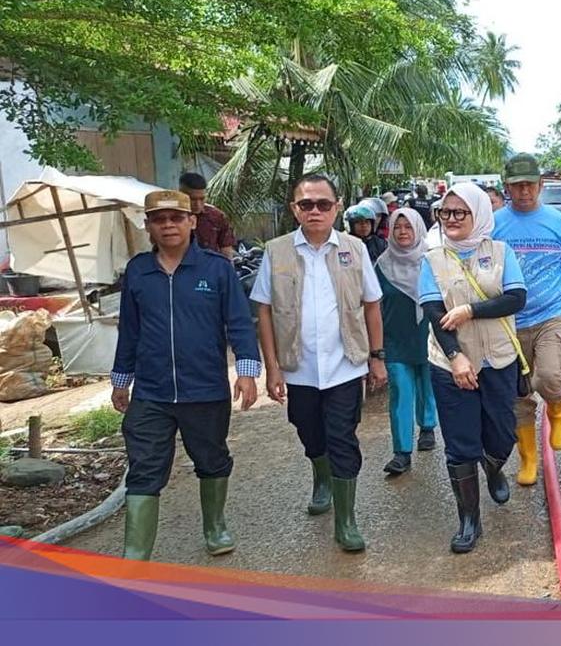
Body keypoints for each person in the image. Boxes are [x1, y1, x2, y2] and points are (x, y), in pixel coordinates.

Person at [111, 190, 260, 560]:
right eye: (159, 219)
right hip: (151, 392)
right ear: (148, 226)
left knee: (211, 459)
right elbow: (129, 329)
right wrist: (120, 380)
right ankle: (136, 553)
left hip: (205, 389)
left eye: (176, 218)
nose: (168, 225)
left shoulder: (216, 269)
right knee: (144, 467)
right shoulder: (138, 271)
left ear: (191, 221)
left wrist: (246, 371)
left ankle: (214, 526)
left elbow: (239, 323)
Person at [250, 174, 387, 553]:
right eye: (306, 204)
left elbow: (372, 304)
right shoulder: (276, 251)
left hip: (346, 363)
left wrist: (377, 357)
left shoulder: (354, 248)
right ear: (294, 208)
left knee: (342, 436)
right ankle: (321, 476)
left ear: (336, 206)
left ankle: (346, 522)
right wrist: (273, 367)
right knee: (308, 430)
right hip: (299, 367)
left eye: (322, 204)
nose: (314, 211)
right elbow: (263, 311)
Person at [419, 182, 527, 553]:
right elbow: (434, 313)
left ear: (478, 214)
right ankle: (469, 520)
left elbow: (516, 298)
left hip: (498, 359)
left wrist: (471, 310)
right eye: (444, 213)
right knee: (461, 443)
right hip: (449, 363)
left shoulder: (500, 251)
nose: (450, 219)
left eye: (459, 212)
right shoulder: (431, 258)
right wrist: (455, 357)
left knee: (502, 433)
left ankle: (494, 466)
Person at [493, 153, 561, 487]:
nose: (524, 192)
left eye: (530, 185)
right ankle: (528, 460)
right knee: (518, 394)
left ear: (540, 185)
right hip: (509, 320)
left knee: (549, 375)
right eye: (517, 186)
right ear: (507, 187)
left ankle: (558, 408)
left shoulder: (559, 223)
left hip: (553, 314)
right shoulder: (494, 225)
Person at [376, 208, 439, 476]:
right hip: (395, 339)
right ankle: (401, 452)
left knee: (428, 384)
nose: (402, 232)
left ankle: (427, 426)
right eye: (397, 227)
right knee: (400, 391)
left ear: (418, 229)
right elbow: (372, 306)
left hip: (429, 334)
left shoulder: (433, 261)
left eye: (408, 227)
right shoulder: (381, 265)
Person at [179, 173, 235, 258]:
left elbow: (226, 250)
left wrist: (228, 269)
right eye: (192, 199)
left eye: (202, 199)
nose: (198, 204)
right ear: (180, 194)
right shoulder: (170, 218)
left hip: (211, 268)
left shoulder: (216, 216)